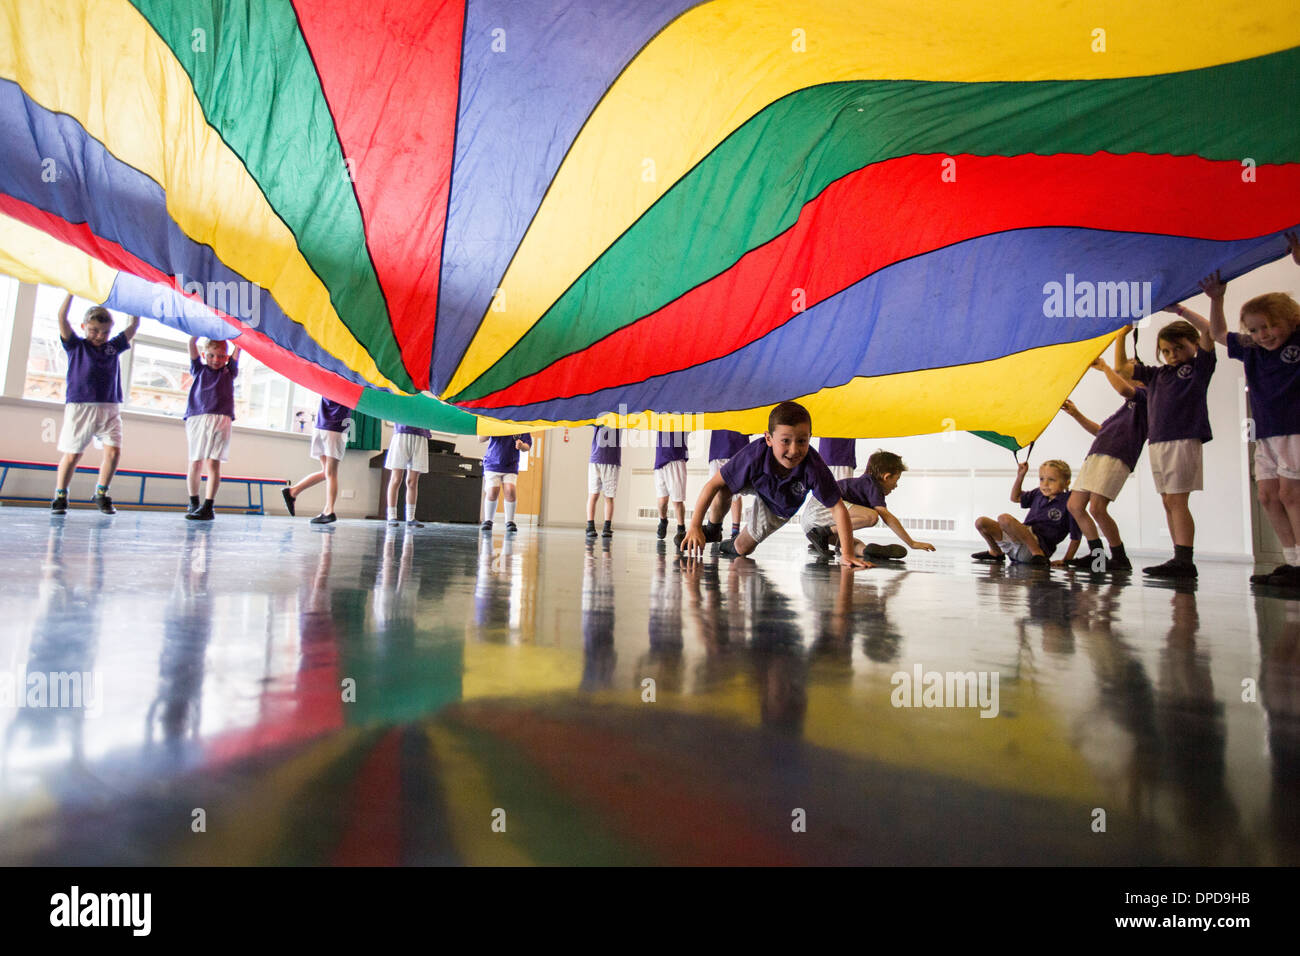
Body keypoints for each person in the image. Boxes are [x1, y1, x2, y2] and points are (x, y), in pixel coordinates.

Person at [1205, 245, 1300, 586]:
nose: (1265, 334)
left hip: (1294, 430)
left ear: (1292, 321)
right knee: (1267, 496)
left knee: (1291, 495)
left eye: (1271, 327)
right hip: (1266, 434)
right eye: (1257, 329)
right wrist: (1217, 299)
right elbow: (1217, 334)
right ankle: (1291, 561)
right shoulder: (1253, 351)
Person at [679, 401, 867, 566]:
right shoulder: (754, 455)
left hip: (778, 504)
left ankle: (728, 545)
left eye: (802, 441)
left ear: (810, 437)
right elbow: (712, 485)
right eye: (785, 441)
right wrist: (695, 526)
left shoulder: (813, 465)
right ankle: (713, 530)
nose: (794, 450)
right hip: (757, 480)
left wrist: (848, 554)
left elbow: (838, 508)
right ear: (768, 439)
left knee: (743, 548)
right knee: (725, 486)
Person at [1128, 300, 1217, 578]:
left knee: (1178, 502)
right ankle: (1178, 556)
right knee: (1168, 501)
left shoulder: (1198, 368)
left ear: (1192, 344)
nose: (1172, 355)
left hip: (1183, 439)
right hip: (1159, 442)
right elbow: (1122, 369)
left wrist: (1180, 311)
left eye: (1178, 348)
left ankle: (1185, 560)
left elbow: (1210, 330)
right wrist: (1121, 334)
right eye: (1166, 351)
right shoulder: (1157, 375)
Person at [1059, 339, 1147, 571]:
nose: (1123, 371)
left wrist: (1106, 367)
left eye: (1129, 368)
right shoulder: (1125, 408)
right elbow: (1100, 432)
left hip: (1117, 456)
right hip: (1097, 454)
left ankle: (1119, 557)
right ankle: (1097, 555)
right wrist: (1077, 414)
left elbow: (1121, 386)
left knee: (1097, 508)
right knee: (1075, 505)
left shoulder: (1147, 397)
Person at [50, 293, 140, 515]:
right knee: (73, 454)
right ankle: (61, 495)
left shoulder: (112, 347)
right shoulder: (76, 346)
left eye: (104, 332)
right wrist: (70, 293)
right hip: (81, 406)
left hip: (109, 406)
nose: (99, 336)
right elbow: (62, 318)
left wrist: (133, 300)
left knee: (113, 452)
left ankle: (101, 492)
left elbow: (134, 325)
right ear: (84, 327)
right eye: (93, 331)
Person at [800, 450, 937, 560]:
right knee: (872, 517)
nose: (896, 486)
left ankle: (867, 551)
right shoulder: (871, 484)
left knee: (854, 543)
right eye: (896, 480)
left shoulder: (864, 485)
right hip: (819, 509)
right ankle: (823, 534)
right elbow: (887, 517)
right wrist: (911, 543)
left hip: (811, 524)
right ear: (886, 477)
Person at [972, 459, 1081, 567]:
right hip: (1018, 542)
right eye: (1042, 479)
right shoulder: (1038, 493)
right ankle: (996, 552)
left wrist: (1066, 560)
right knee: (981, 522)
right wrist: (1020, 476)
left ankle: (1037, 554)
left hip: (1036, 547)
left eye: (1051, 480)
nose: (1045, 484)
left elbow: (1076, 537)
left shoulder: (1069, 503)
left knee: (1004, 518)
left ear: (1066, 483)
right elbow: (1015, 497)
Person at [182, 336, 240, 521]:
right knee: (196, 461)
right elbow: (191, 344)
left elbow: (239, 347)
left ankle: (208, 505)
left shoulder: (229, 371)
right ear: (205, 355)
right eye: (212, 355)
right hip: (199, 417)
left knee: (214, 462)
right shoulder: (199, 369)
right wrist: (197, 334)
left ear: (227, 357)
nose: (216, 360)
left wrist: (235, 335)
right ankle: (193, 501)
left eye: (221, 356)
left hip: (222, 418)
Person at [284, 396, 352, 524]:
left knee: (327, 472)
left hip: (320, 426)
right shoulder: (347, 381)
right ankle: (329, 511)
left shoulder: (327, 378)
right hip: (335, 427)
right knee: (331, 474)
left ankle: (293, 491)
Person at [479, 432, 533, 532]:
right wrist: (490, 430)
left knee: (510, 490)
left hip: (511, 464)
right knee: (492, 491)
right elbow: (481, 438)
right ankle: (488, 520)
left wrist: (521, 445)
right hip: (492, 462)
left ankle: (510, 521)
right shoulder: (495, 421)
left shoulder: (521, 425)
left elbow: (527, 446)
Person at [386, 422, 431, 528]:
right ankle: (391, 516)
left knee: (412, 481)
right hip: (402, 433)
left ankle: (410, 517)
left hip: (421, 434)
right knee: (396, 479)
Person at [706, 429, 749, 538]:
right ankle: (716, 525)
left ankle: (735, 529)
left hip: (738, 448)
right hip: (718, 449)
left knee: (736, 492)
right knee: (715, 490)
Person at [586, 425, 622, 539]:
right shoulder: (599, 415)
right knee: (593, 494)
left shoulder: (620, 418)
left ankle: (607, 527)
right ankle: (590, 525)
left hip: (612, 461)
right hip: (596, 459)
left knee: (609, 496)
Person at [653, 429, 689, 540]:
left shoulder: (683, 416)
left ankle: (681, 528)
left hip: (676, 460)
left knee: (677, 500)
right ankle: (663, 521)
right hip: (660, 461)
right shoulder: (660, 415)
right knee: (662, 501)